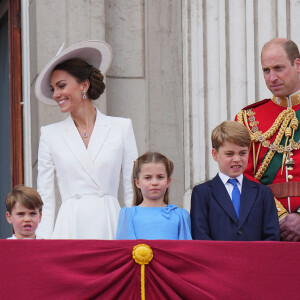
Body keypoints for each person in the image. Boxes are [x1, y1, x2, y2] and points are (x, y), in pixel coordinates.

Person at [34, 40, 138, 239]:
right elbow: (45, 196)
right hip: (70, 226)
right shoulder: (50, 134)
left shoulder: (121, 128)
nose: (56, 94)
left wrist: (133, 235)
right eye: (52, 89)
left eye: (61, 86)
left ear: (84, 85)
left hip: (111, 223)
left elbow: (132, 188)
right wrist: (43, 241)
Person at [236, 38, 300, 241]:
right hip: (267, 225)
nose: (272, 77)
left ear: (297, 65)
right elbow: (240, 173)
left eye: (279, 68)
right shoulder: (247, 118)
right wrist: (279, 216)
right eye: (266, 70)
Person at [190, 121, 280, 241]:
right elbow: (200, 235)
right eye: (229, 154)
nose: (237, 159)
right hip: (217, 259)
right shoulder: (202, 193)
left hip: (255, 259)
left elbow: (272, 236)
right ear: (215, 154)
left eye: (242, 153)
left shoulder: (263, 193)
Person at [116, 152, 192, 240]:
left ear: (168, 182)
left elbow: (185, 250)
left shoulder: (180, 215)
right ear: (137, 183)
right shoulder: (128, 215)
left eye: (160, 177)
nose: (154, 183)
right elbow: (124, 249)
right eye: (148, 177)